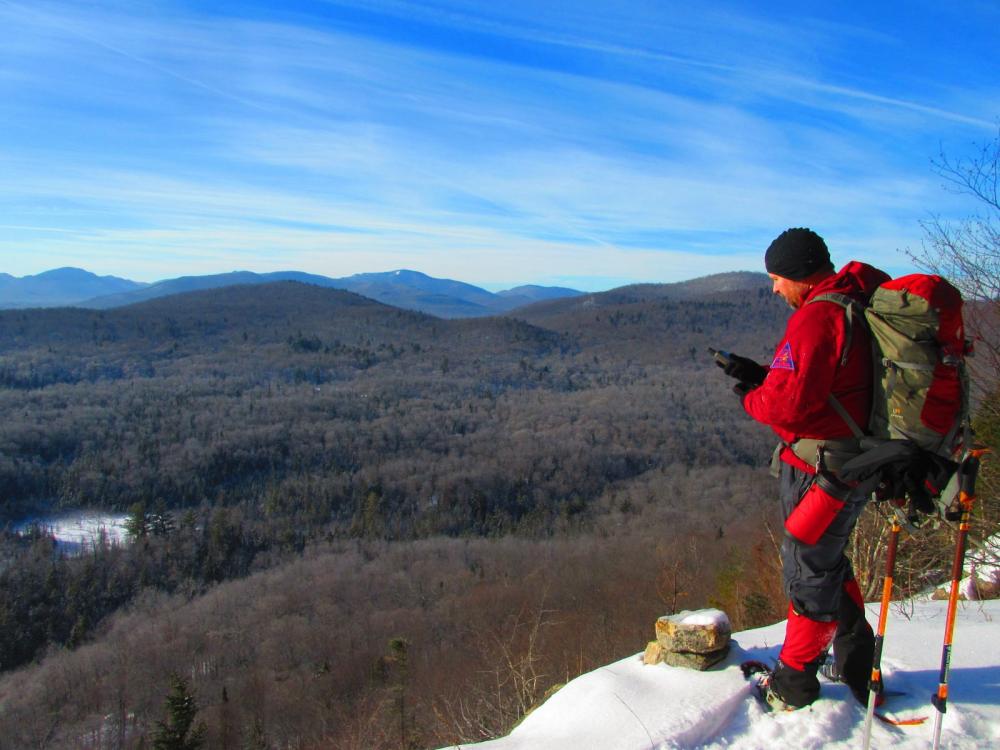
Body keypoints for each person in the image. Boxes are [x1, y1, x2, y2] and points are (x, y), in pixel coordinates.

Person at [719, 227, 890, 710]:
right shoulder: (855, 304)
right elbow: (831, 384)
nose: (774, 289)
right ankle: (857, 662)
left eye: (777, 278)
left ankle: (794, 683)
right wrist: (766, 374)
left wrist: (754, 395)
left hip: (822, 468)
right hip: (855, 459)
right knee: (827, 559)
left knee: (809, 568)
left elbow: (787, 407)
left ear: (797, 274)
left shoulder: (817, 318)